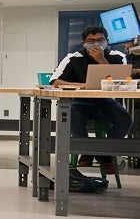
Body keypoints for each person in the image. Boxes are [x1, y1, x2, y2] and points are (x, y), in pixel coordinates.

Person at [50, 26, 132, 174]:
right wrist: (79, 85)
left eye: (100, 40)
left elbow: (121, 82)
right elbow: (55, 81)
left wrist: (101, 60)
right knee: (71, 112)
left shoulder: (117, 56)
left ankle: (106, 154)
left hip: (107, 102)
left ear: (107, 41)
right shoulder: (72, 57)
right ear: (83, 43)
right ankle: (86, 150)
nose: (96, 44)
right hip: (81, 103)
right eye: (91, 41)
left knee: (125, 119)